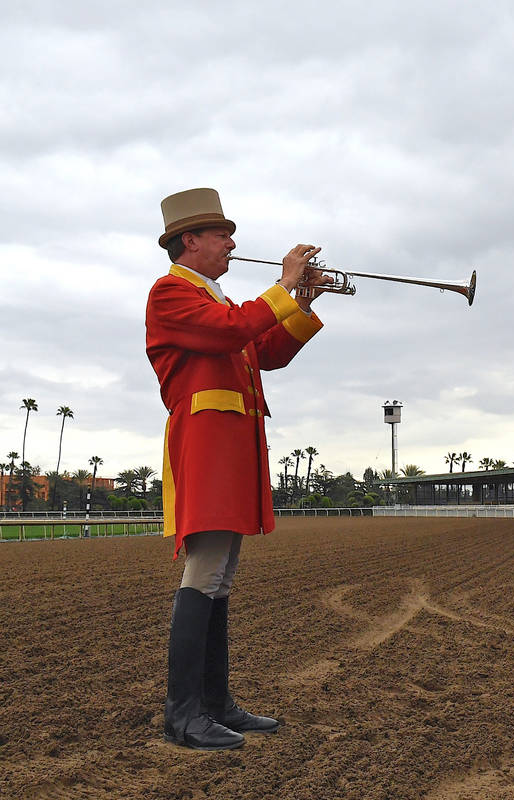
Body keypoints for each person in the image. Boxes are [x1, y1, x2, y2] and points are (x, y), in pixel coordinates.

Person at [145, 187, 328, 750]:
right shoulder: (171, 293)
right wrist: (282, 286)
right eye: (221, 234)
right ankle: (183, 715)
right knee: (204, 573)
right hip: (205, 445)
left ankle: (214, 703)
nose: (231, 242)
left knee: (220, 578)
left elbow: (262, 350)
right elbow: (233, 332)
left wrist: (302, 301)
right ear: (189, 241)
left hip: (232, 445)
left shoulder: (217, 301)